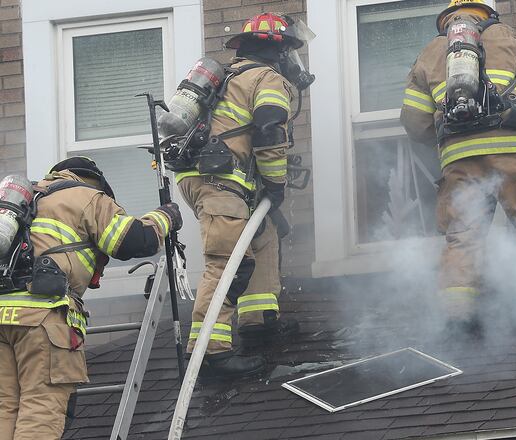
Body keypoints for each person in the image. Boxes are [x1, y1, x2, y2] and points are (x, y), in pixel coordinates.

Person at [400, 0, 516, 334]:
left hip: (458, 159)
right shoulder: (505, 37)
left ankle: (458, 314)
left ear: (445, 21)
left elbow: (415, 124)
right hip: (511, 150)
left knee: (462, 235)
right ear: (485, 14)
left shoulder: (430, 53)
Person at [0, 157, 181, 440]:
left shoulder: (22, 203)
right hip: (42, 318)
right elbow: (134, 240)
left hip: (2, 315)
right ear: (96, 181)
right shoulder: (86, 196)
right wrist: (166, 216)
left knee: (5, 407)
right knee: (42, 405)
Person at [175, 12, 314, 377]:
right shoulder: (267, 78)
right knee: (226, 261)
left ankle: (258, 322)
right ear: (279, 52)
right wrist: (276, 185)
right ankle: (209, 352)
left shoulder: (231, 78)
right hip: (221, 182)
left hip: (209, 177)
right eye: (290, 52)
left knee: (262, 236)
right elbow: (270, 133)